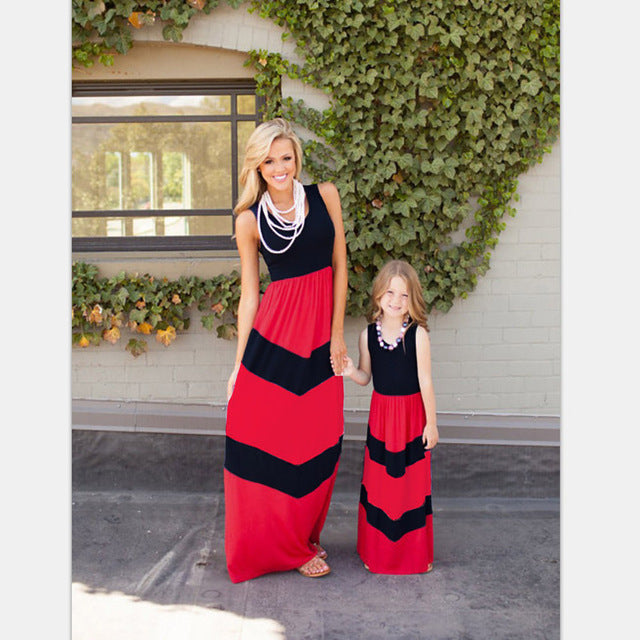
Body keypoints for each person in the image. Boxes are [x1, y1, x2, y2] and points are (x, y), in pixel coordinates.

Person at [224, 118, 348, 583]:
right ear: (257, 164)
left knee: (318, 441)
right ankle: (285, 547)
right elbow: (251, 295)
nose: (279, 167)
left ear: (297, 158)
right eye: (269, 160)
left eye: (286, 157)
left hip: (318, 339)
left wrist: (336, 335)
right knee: (265, 440)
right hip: (274, 339)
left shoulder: (325, 196)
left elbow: (341, 266)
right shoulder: (248, 220)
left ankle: (299, 536)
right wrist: (239, 366)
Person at [342, 260, 438, 574]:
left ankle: (414, 556)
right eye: (390, 292)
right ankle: (377, 553)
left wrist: (432, 423)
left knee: (409, 486)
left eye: (404, 295)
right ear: (379, 295)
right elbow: (366, 375)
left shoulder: (418, 335)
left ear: (414, 300)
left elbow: (425, 381)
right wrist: (348, 371)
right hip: (382, 417)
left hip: (411, 418)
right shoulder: (368, 335)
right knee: (382, 485)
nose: (396, 300)